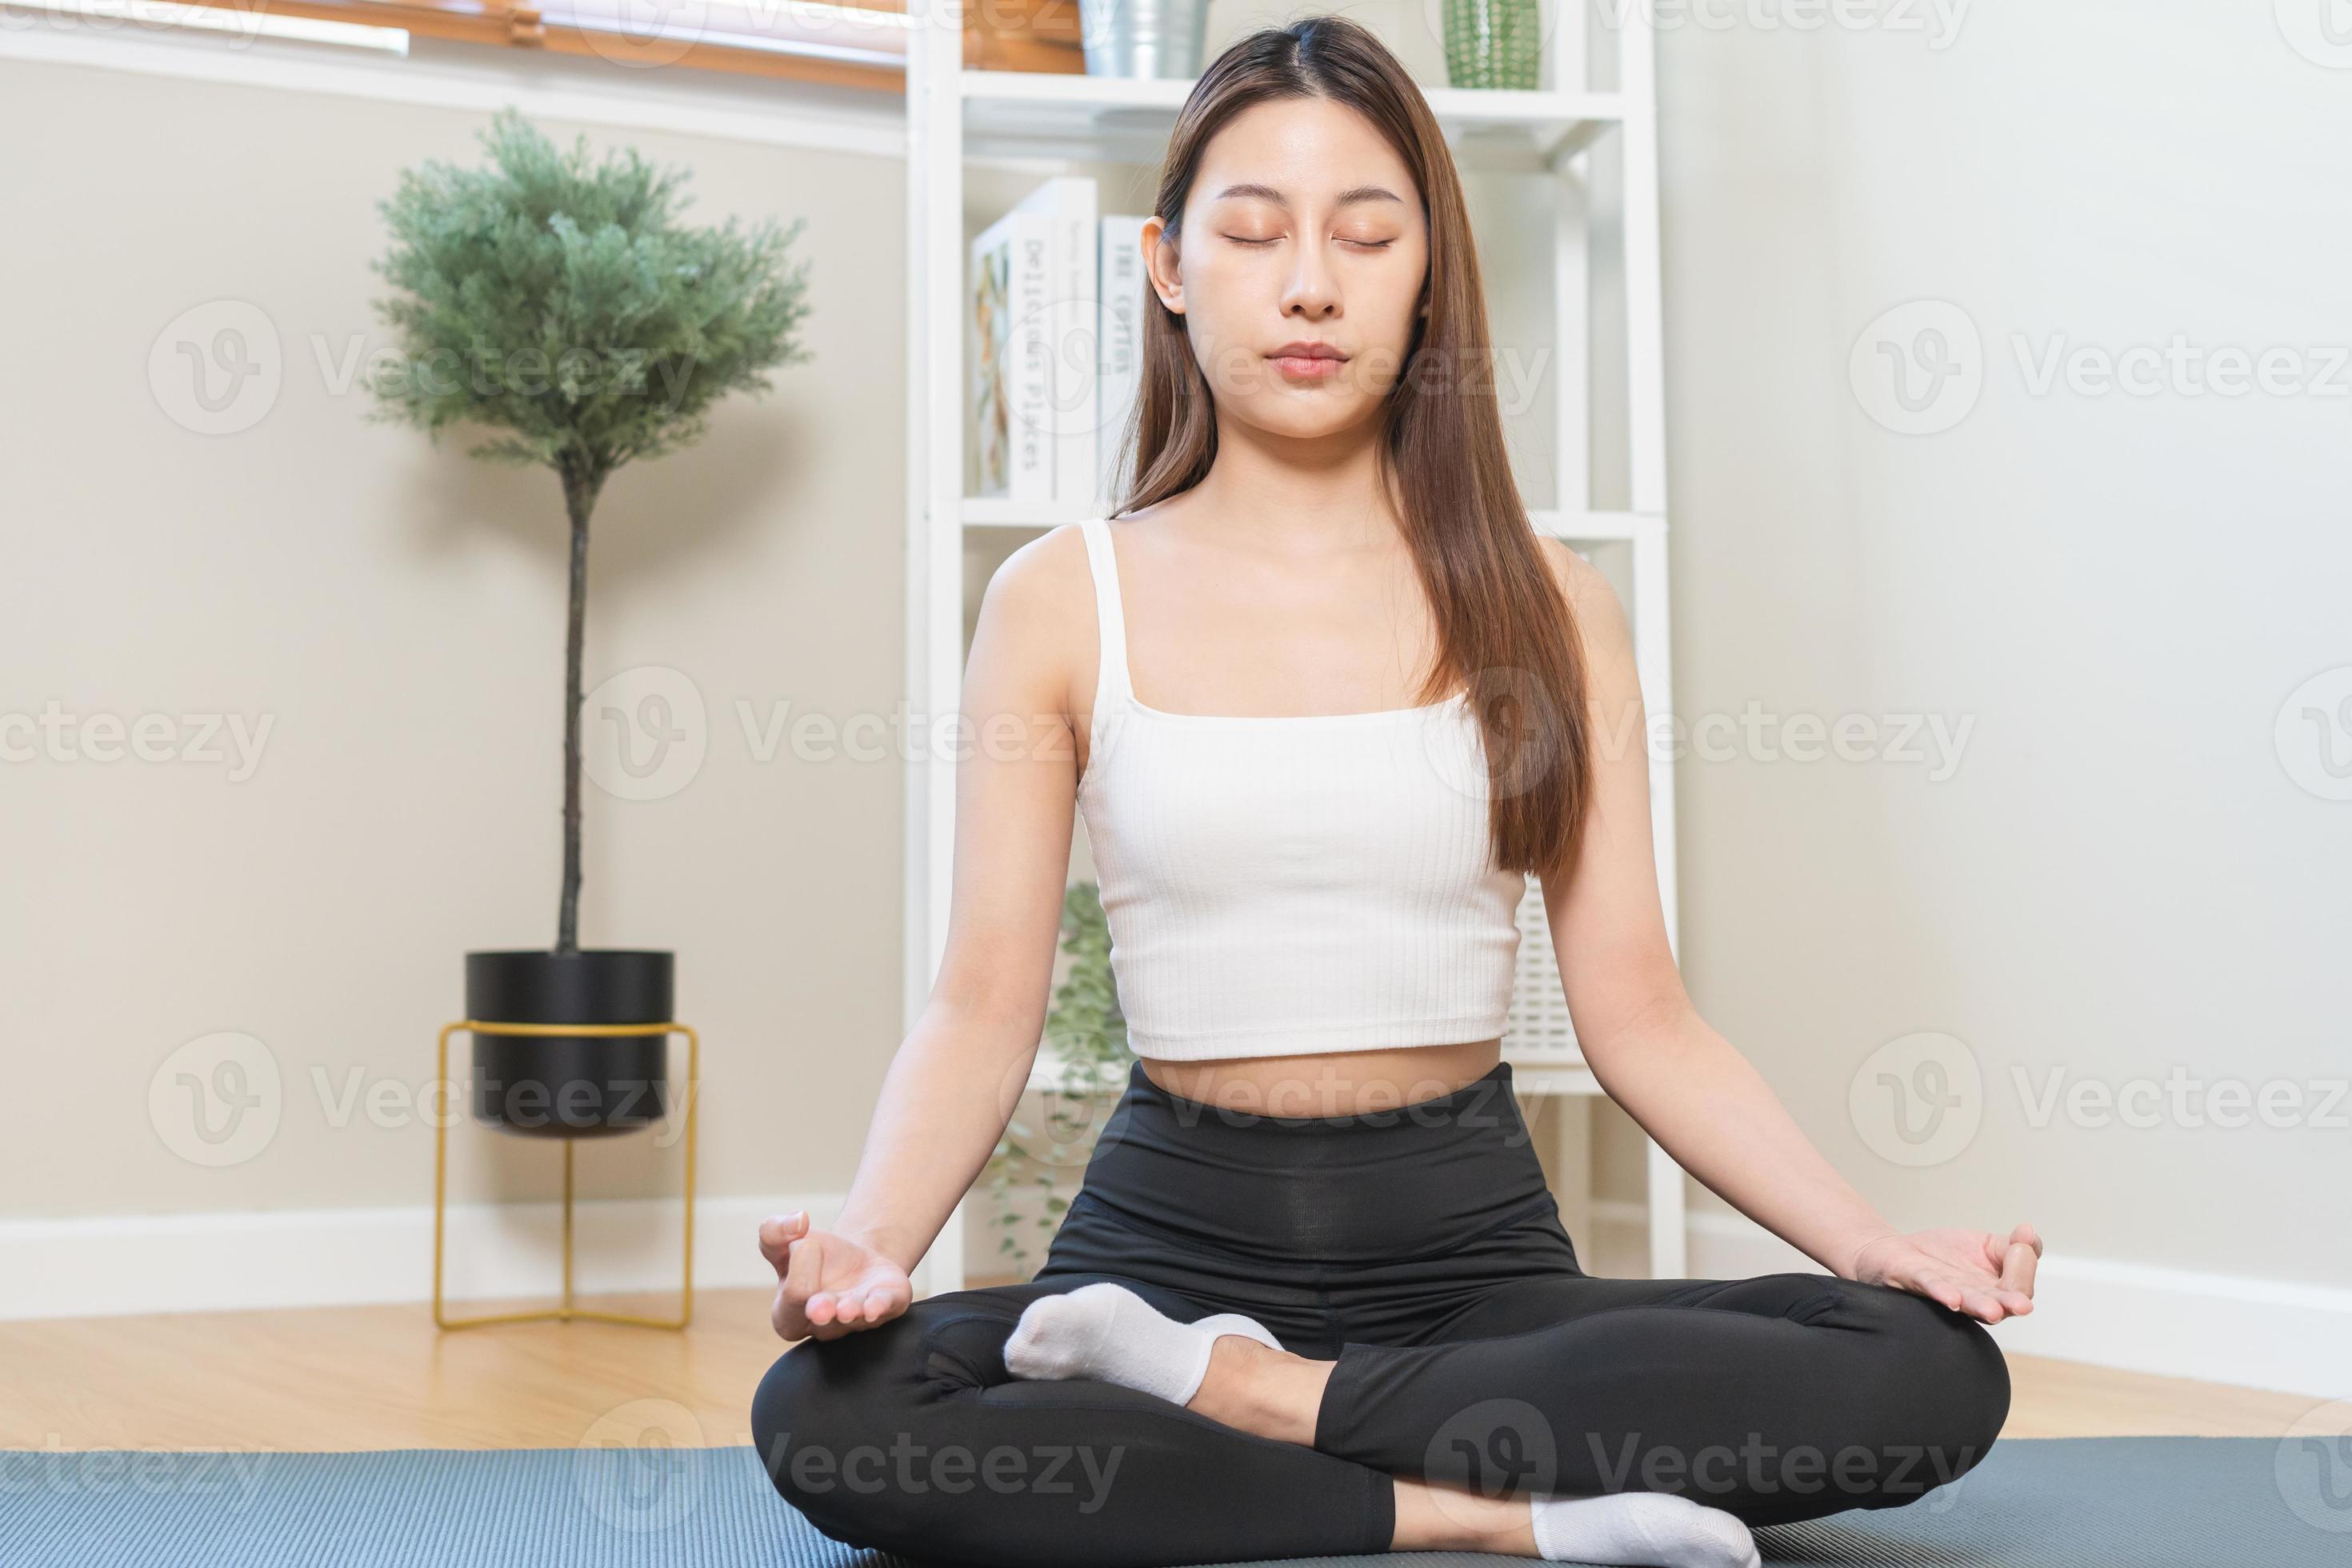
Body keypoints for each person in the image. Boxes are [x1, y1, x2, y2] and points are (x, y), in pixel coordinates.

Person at [751, 15, 2034, 1567]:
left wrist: (1872, 1241)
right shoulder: (1057, 597)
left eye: (1367, 234)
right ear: (1168, 264)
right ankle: (1488, 1511)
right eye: (1253, 231)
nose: (1310, 284)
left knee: (1927, 1369)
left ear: (1429, 272)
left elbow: (1641, 1011)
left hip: (1472, 1259)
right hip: (1156, 1248)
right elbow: (978, 1002)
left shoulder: (1554, 602)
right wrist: (866, 1257)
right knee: (827, 1413)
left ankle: (1248, 1400)